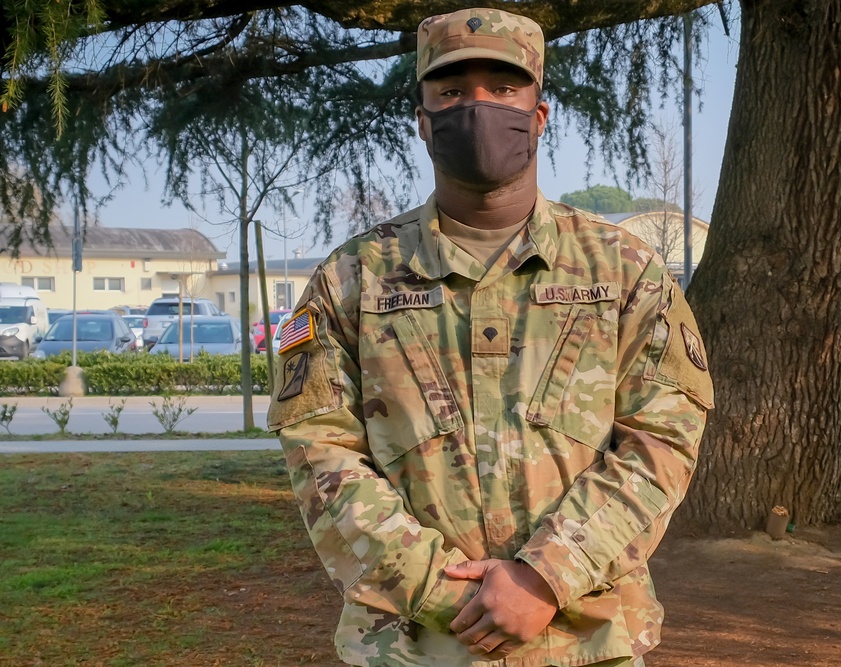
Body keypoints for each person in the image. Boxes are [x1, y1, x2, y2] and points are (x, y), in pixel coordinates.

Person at [268, 7, 714, 667]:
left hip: (584, 641)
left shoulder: (625, 271)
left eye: (503, 89)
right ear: (423, 122)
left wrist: (543, 576)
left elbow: (662, 442)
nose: (477, 106)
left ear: (539, 115)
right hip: (412, 644)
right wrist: (444, 593)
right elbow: (322, 453)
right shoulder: (351, 281)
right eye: (451, 92)